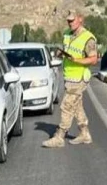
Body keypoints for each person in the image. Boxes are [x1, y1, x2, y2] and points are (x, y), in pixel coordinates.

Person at [42, 11, 98, 148]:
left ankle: (60, 136)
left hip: (79, 78)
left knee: (67, 105)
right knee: (76, 106)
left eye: (72, 20)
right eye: (68, 20)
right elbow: (67, 50)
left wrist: (76, 60)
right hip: (69, 77)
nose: (69, 23)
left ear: (80, 19)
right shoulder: (67, 34)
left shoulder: (88, 38)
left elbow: (93, 59)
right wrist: (61, 54)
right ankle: (84, 133)